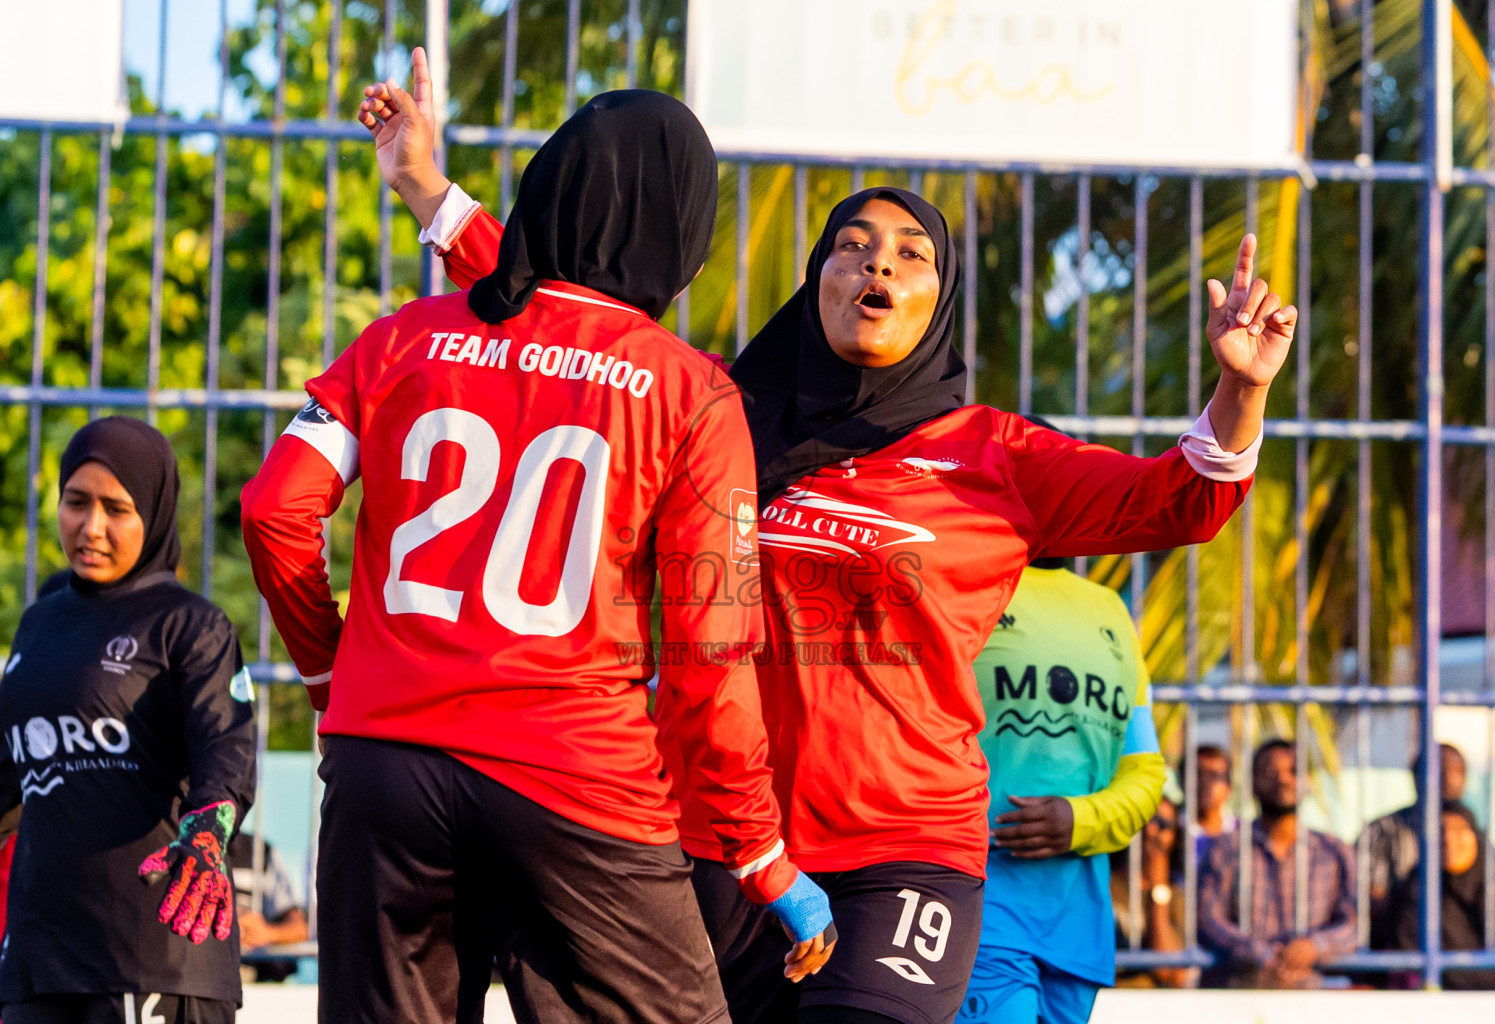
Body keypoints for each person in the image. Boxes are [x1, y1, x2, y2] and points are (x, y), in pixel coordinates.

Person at [371, 47, 1292, 1024]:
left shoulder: (996, 454)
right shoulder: (713, 405)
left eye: (910, 252)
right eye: (853, 244)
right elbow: (574, 322)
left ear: (939, 300)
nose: (879, 264)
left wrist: (1240, 387)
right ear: (818, 276)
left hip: (903, 856)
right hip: (715, 848)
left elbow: (1180, 499)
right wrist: (424, 184)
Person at [244, 78, 833, 1024]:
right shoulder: (691, 395)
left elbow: (276, 510)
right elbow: (708, 656)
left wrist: (329, 678)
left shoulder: (399, 341)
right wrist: (759, 853)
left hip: (383, 766)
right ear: (683, 229)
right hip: (576, 780)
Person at [0, 417, 256, 1023]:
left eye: (117, 508)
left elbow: (227, 753)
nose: (91, 527)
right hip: (39, 963)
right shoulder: (38, 625)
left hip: (155, 957)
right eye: (76, 502)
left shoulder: (190, 626)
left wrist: (207, 832)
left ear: (155, 511)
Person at [961, 556, 1167, 1023]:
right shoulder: (968, 582)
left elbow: (1146, 771)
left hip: (1078, 930)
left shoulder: (1109, 608)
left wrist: (1081, 820)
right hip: (981, 907)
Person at [1198, 738, 1357, 988]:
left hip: (1314, 989)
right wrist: (1261, 955)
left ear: (1308, 782)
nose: (1283, 779)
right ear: (1252, 784)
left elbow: (1354, 923)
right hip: (1242, 987)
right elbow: (1209, 918)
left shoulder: (1334, 851)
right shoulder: (1225, 848)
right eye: (1271, 772)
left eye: (1293, 772)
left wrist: (1313, 947)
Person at [1376, 800, 1495, 989]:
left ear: (1474, 837)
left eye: (1458, 830)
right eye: (1441, 831)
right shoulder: (1415, 889)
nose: (1448, 838)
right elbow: (1408, 955)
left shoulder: (1494, 892)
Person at [1365, 743, 1469, 934]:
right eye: (1439, 769)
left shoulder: (1474, 836)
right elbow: (1373, 906)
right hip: (1400, 948)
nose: (1449, 779)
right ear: (1415, 775)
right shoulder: (1383, 831)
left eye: (1457, 771)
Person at [1110, 798, 1197, 990]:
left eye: (1163, 824)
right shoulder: (1105, 885)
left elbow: (1166, 967)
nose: (1151, 830)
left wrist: (1158, 889)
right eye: (1144, 820)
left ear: (1175, 837)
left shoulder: (1176, 896)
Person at [228, 832, 308, 983]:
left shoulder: (260, 851)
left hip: (248, 975)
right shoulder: (176, 845)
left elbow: (300, 929)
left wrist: (264, 933)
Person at [1194, 745, 1235, 865]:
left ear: (1229, 786)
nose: (1205, 782)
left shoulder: (1243, 833)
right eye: (1198, 774)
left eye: (1214, 776)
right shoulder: (1168, 830)